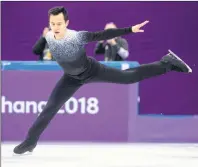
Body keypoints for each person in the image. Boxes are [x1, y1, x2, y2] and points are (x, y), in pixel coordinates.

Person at [13, 6, 192, 154]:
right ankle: (30, 142)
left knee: (128, 77)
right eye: (52, 23)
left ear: (67, 23)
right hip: (71, 78)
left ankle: (166, 63)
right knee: (49, 108)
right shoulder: (49, 36)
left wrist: (129, 30)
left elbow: (102, 35)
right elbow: (36, 49)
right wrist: (44, 36)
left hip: (92, 70)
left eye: (59, 23)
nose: (56, 26)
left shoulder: (76, 36)